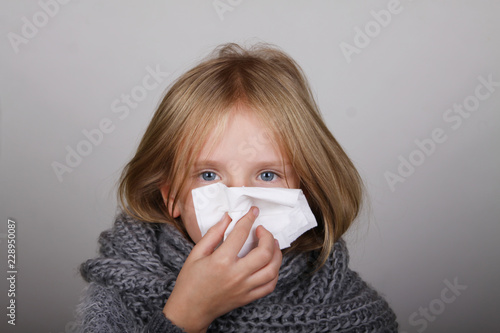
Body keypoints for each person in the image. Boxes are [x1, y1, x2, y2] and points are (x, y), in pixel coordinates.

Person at [77, 42, 398, 332]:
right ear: (171, 196)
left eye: (268, 175)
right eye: (209, 176)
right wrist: (184, 316)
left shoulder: (353, 314)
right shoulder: (123, 294)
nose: (239, 204)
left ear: (305, 192)